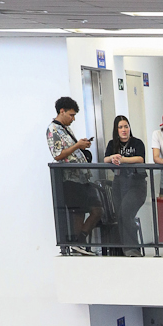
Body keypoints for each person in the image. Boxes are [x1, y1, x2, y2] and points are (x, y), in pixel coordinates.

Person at [47, 95, 101, 245]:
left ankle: (80, 239)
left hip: (82, 177)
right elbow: (58, 155)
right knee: (78, 212)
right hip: (70, 178)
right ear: (61, 111)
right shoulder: (53, 129)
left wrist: (80, 145)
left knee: (97, 210)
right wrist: (77, 146)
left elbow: (70, 150)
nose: (73, 119)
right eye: (71, 115)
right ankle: (78, 244)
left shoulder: (66, 129)